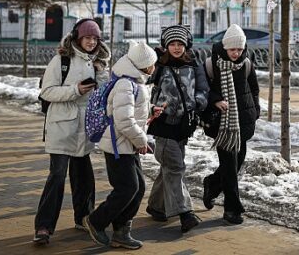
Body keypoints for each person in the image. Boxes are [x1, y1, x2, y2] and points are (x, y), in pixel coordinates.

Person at [33, 19, 110, 246]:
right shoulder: (61, 60)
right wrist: (75, 90)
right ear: (77, 37)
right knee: (57, 176)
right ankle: (44, 226)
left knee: (84, 176)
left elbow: (104, 94)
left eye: (95, 38)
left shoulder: (99, 62)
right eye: (87, 37)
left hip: (84, 128)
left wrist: (102, 75)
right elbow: (47, 92)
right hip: (61, 127)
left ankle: (84, 218)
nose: (91, 42)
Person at [83, 41, 157, 250]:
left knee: (138, 187)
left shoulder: (136, 81)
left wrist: (151, 112)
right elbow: (123, 120)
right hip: (118, 146)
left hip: (127, 145)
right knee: (128, 188)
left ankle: (121, 232)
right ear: (145, 65)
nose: (155, 67)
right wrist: (141, 141)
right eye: (153, 63)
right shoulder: (126, 83)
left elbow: (133, 111)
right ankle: (96, 221)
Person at [145, 25, 210, 233]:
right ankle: (185, 214)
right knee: (175, 168)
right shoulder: (158, 65)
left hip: (184, 125)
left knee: (169, 167)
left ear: (186, 45)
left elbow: (203, 90)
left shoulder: (193, 64)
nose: (176, 48)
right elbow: (142, 88)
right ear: (166, 46)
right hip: (163, 123)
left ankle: (156, 207)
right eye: (172, 44)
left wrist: (197, 103)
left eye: (180, 44)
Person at [202, 24, 260, 225]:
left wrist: (255, 111)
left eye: (240, 49)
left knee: (238, 161)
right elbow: (202, 90)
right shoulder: (211, 65)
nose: (236, 53)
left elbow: (254, 89)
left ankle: (212, 183)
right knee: (229, 166)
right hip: (223, 125)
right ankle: (232, 209)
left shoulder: (246, 64)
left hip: (242, 123)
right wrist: (215, 99)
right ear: (225, 47)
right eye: (232, 49)